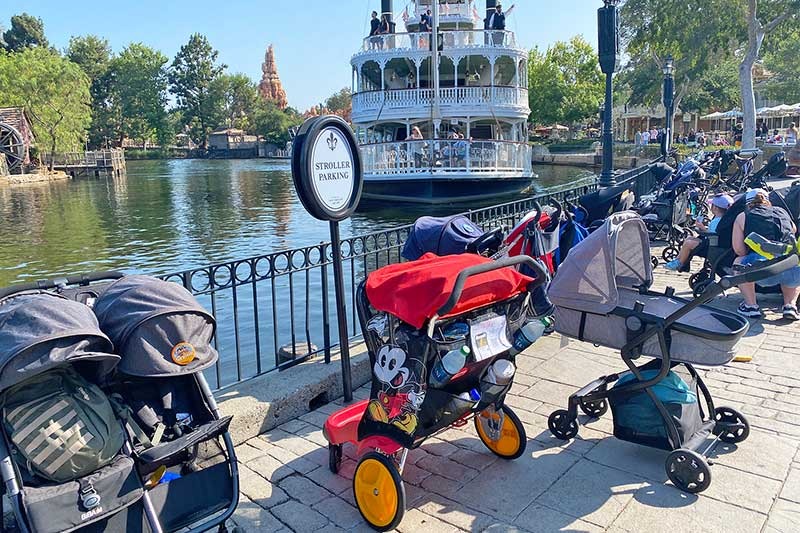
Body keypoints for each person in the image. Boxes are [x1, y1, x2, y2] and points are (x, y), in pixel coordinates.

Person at [733, 189, 800, 320]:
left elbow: (739, 250)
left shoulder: (743, 216)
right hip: (793, 269)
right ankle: (790, 306)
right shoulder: (782, 212)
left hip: (763, 270)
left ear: (747, 202)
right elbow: (793, 230)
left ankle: (751, 306)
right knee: (791, 260)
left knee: (739, 262)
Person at [664, 194, 734, 271]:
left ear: (715, 208)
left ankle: (680, 263)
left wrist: (701, 227)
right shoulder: (724, 219)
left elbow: (712, 234)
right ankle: (678, 260)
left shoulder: (717, 221)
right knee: (689, 238)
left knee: (688, 243)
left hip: (712, 246)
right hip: (713, 243)